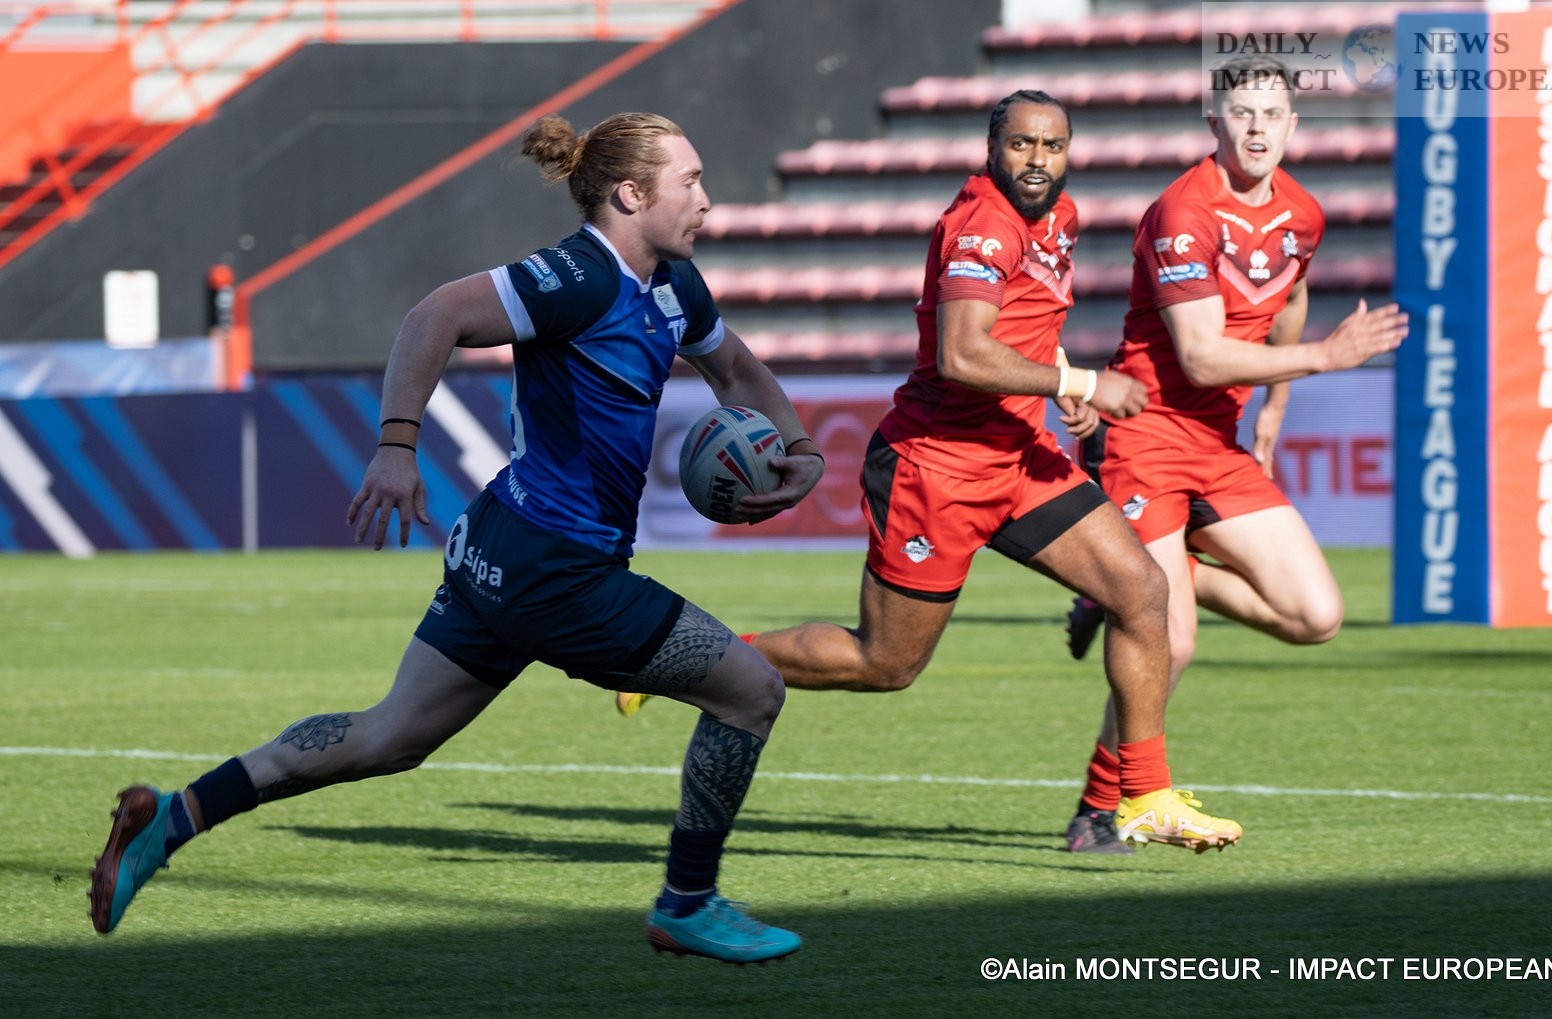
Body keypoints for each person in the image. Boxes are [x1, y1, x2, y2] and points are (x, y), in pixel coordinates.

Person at [87, 111, 825, 963]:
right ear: (631, 194)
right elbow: (434, 314)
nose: (706, 199)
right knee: (750, 690)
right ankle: (687, 902)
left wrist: (800, 448)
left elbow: (735, 369)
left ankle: (170, 819)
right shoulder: (580, 276)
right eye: (689, 181)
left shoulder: (674, 285)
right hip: (559, 569)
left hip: (501, 546)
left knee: (386, 735)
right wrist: (396, 447)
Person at [620, 90, 1243, 855]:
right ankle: (692, 658)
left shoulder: (1061, 216)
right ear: (992, 148)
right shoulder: (983, 225)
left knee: (1141, 590)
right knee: (884, 663)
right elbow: (962, 353)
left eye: (1052, 146)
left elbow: (1022, 325)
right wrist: (1082, 381)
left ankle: (1143, 796)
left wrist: (1060, 385)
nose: (1037, 160)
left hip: (1018, 459)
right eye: (1021, 144)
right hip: (936, 468)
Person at [1060, 55, 1409, 850]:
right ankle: (1101, 805)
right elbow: (1201, 357)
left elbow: (1291, 296)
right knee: (1171, 639)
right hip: (1143, 434)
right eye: (1242, 113)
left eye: (1272, 114)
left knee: (1316, 616)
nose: (1257, 128)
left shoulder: (1302, 213)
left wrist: (1276, 407)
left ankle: (1139, 582)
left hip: (1215, 446)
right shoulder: (1183, 211)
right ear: (1214, 121)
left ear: (1293, 125)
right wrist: (1323, 359)